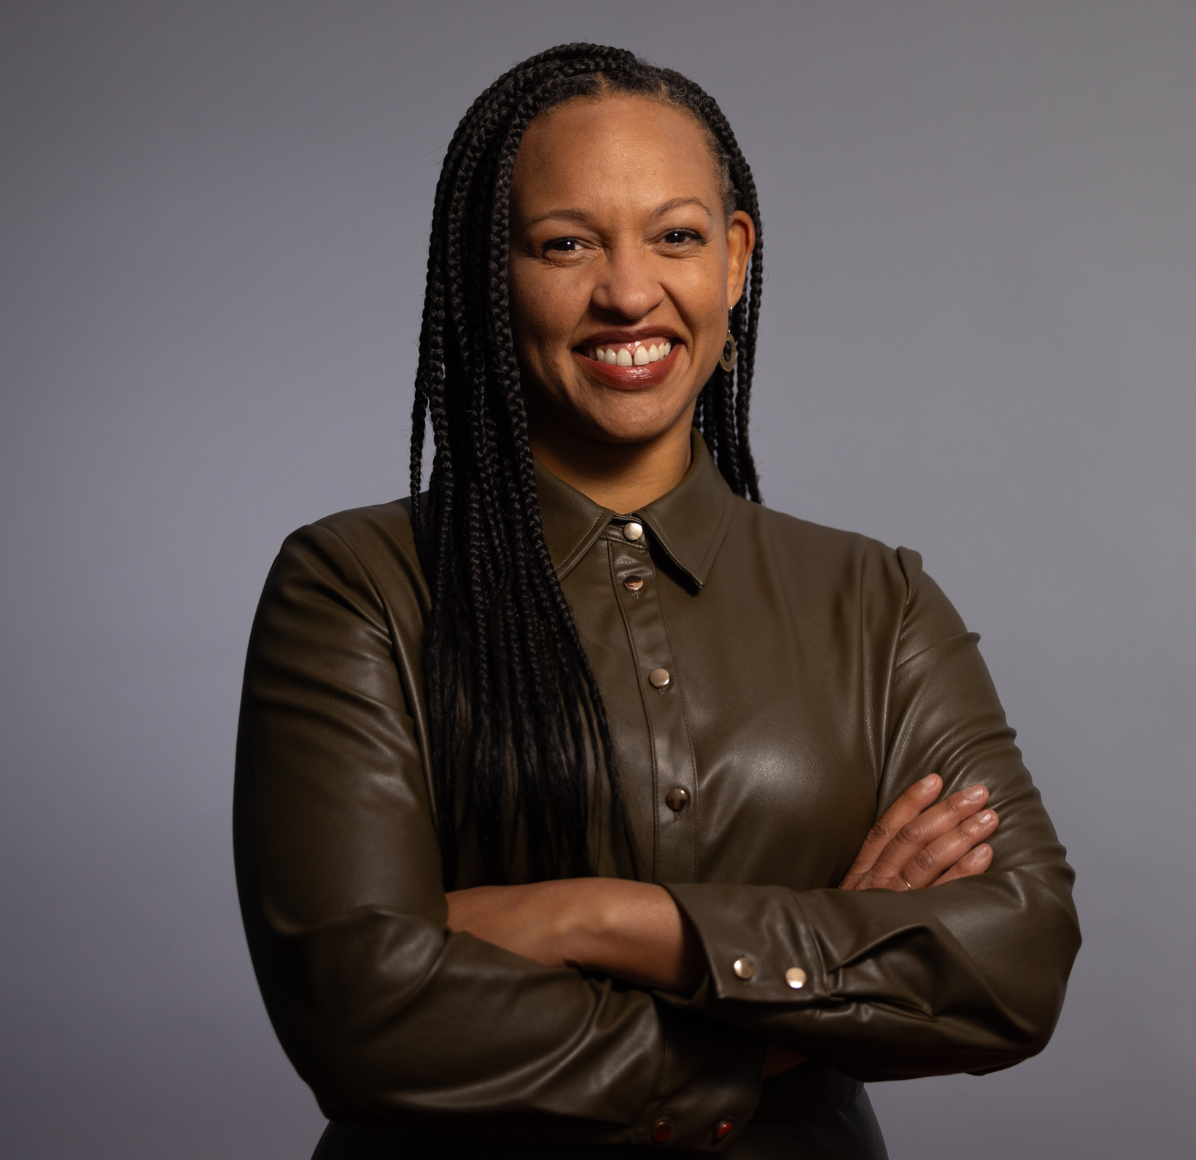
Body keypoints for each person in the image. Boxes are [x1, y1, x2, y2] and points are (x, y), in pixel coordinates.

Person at [234, 43, 1079, 1160]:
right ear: (492, 273)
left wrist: (601, 918)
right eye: (566, 243)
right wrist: (794, 1005)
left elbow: (1014, 963)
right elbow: (358, 1013)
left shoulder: (877, 599)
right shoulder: (356, 585)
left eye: (675, 235)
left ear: (733, 259)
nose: (629, 291)